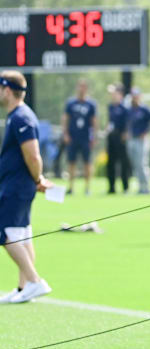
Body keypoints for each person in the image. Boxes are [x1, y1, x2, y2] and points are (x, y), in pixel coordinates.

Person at [0, 71, 54, 304]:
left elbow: (33, 155)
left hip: (17, 186)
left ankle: (34, 281)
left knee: (6, 233)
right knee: (22, 234)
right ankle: (24, 288)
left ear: (7, 90)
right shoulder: (16, 115)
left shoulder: (21, 116)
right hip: (17, 184)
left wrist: (38, 177)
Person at [62, 79, 97, 195]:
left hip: (85, 138)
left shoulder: (91, 104)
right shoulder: (71, 103)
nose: (81, 89)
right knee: (72, 162)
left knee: (87, 162)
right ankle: (71, 187)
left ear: (86, 89)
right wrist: (65, 134)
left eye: (83, 87)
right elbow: (65, 119)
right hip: (73, 137)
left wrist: (94, 137)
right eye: (79, 86)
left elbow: (94, 121)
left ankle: (87, 188)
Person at [128, 87, 150, 194]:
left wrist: (146, 131)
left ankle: (146, 186)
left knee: (142, 163)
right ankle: (140, 186)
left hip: (142, 140)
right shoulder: (130, 109)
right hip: (132, 139)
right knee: (136, 164)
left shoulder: (144, 109)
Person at [106, 84, 131, 194]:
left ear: (120, 94)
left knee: (123, 162)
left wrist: (125, 133)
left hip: (121, 138)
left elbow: (127, 123)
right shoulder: (111, 107)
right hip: (111, 137)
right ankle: (111, 187)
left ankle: (125, 187)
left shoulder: (124, 108)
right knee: (111, 162)